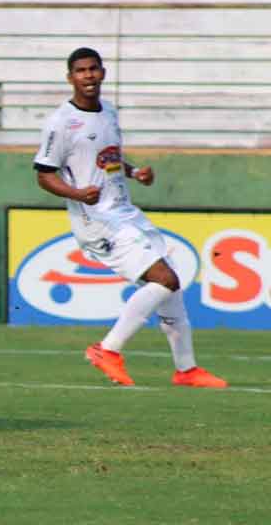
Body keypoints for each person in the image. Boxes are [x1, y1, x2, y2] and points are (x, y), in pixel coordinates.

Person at [34, 47, 227, 388]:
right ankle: (107, 349)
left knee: (172, 286)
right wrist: (79, 194)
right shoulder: (60, 123)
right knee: (164, 279)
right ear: (70, 78)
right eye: (81, 71)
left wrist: (134, 172)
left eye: (94, 69)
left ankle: (186, 370)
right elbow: (44, 175)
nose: (88, 75)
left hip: (124, 212)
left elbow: (106, 158)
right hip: (97, 220)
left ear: (103, 73)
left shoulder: (108, 111)